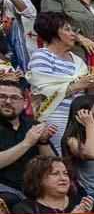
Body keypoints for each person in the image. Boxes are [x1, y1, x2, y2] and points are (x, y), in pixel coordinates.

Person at [28, 12, 94, 152]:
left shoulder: (77, 60)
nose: (73, 34)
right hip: (54, 117)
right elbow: (43, 92)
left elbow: (86, 94)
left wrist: (93, 87)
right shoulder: (41, 55)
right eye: (67, 29)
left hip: (79, 119)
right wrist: (79, 85)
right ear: (53, 32)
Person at [0, 77, 55, 207]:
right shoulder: (31, 134)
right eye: (2, 97)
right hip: (4, 188)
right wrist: (28, 142)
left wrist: (43, 142)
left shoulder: (33, 125)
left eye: (14, 98)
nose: (8, 101)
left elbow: (53, 164)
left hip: (35, 188)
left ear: (24, 103)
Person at [12, 156, 92, 214]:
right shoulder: (24, 209)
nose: (63, 178)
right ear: (38, 179)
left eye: (65, 173)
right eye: (55, 173)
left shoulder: (82, 203)